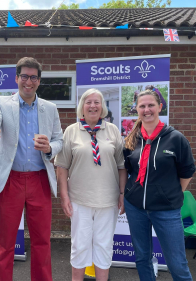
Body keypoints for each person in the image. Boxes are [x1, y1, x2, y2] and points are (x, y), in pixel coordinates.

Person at [0, 57, 63, 281]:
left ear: (39, 81)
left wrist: (49, 148)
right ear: (17, 78)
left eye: (33, 77)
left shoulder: (50, 108)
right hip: (10, 180)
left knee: (42, 241)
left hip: (39, 180)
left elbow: (60, 140)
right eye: (24, 76)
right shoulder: (2, 102)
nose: (28, 81)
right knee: (6, 242)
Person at [55, 88, 127, 281]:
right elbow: (61, 167)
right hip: (79, 200)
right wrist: (64, 197)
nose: (93, 106)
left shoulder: (112, 130)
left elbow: (121, 166)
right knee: (80, 247)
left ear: (102, 107)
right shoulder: (71, 131)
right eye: (88, 102)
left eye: (97, 102)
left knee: (104, 247)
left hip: (108, 201)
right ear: (82, 107)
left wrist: (122, 194)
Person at [123, 90, 195, 281]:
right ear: (137, 110)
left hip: (166, 210)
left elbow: (187, 171)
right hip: (135, 207)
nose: (147, 110)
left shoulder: (176, 138)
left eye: (151, 105)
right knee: (142, 258)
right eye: (142, 106)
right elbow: (129, 169)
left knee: (177, 264)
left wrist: (171, 193)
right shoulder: (132, 139)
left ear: (160, 107)